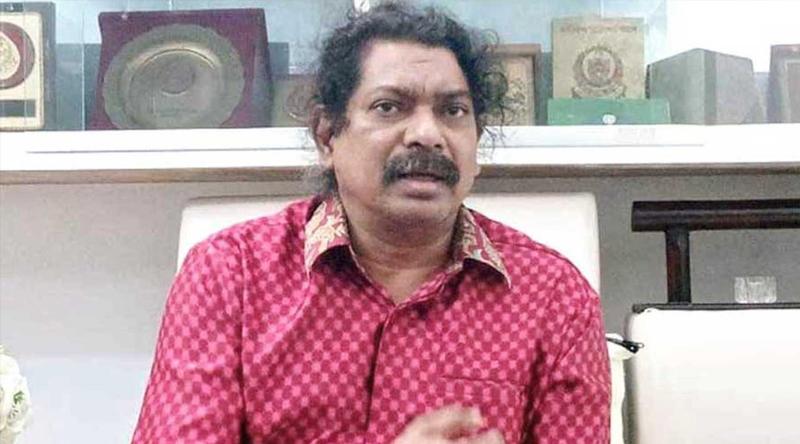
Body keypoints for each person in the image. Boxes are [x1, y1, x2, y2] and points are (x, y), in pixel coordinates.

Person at [132, 2, 610, 443]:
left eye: (453, 111)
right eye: (389, 107)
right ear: (327, 137)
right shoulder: (229, 277)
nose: (427, 134)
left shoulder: (553, 297)